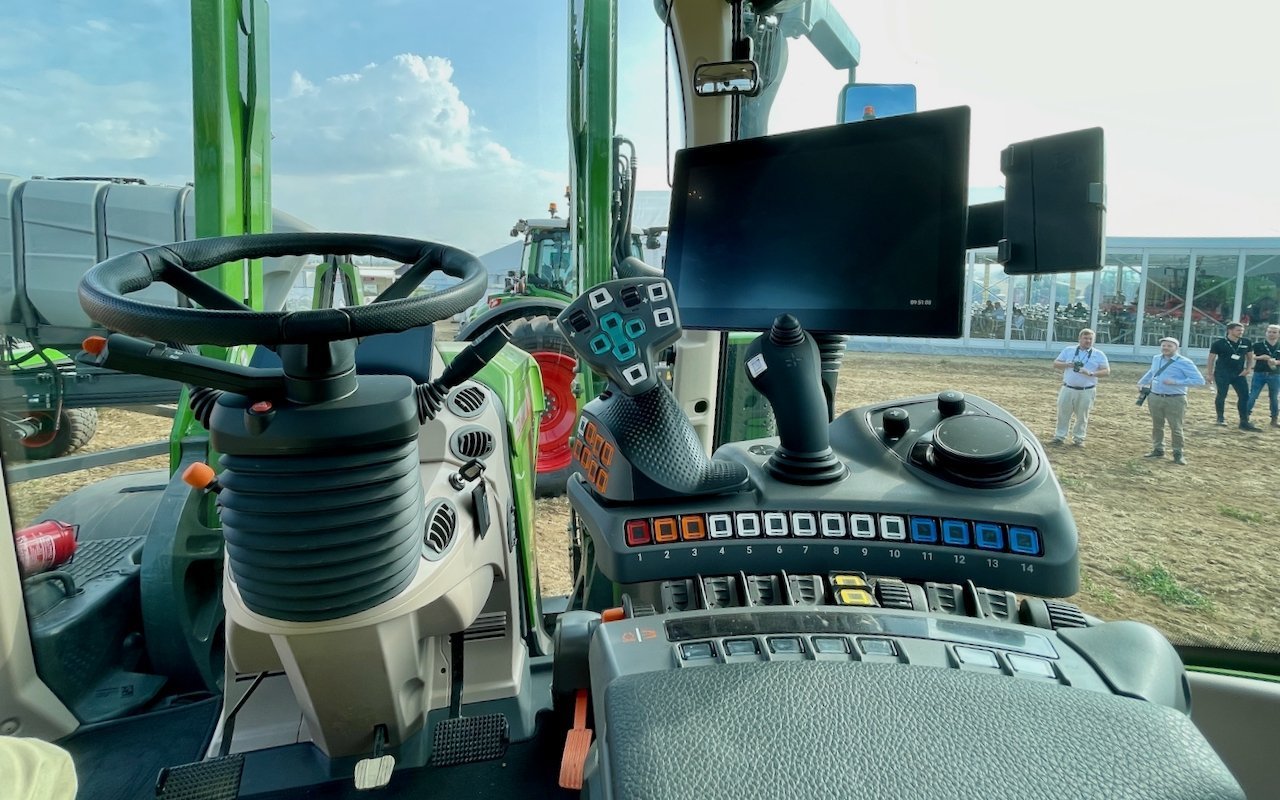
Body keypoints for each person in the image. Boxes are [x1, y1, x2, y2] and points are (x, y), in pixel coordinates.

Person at [1138, 337, 1205, 465]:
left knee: (1176, 427)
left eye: (1169, 346)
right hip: (1155, 396)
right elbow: (1152, 372)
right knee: (1157, 425)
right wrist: (1142, 382)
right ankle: (1158, 449)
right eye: (1164, 345)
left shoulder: (1185, 362)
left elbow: (1199, 380)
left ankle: (1178, 453)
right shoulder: (1156, 359)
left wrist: (1176, 382)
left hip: (1175, 398)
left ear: (1176, 348)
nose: (1165, 348)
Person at [1051, 328, 1110, 446]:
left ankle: (1079, 438)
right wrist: (1067, 364)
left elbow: (1106, 371)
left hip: (1087, 390)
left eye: (1090, 339)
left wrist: (1091, 373)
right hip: (1068, 388)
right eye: (1085, 338)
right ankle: (1059, 436)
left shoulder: (1099, 354)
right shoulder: (1069, 350)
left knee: (1082, 416)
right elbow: (1056, 364)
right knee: (1063, 413)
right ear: (1079, 339)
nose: (1088, 341)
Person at [1206, 321, 1261, 431]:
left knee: (1244, 396)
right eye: (1238, 330)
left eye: (1242, 330)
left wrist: (1248, 369)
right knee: (1222, 395)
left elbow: (1250, 357)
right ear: (1229, 330)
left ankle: (1244, 421)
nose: (1241, 332)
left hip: (1239, 373)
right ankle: (1220, 418)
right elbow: (1211, 359)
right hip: (1222, 373)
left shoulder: (1246, 342)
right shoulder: (1219, 343)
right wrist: (1209, 374)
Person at [1248, 323, 1280, 428]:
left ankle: (1274, 419)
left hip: (1275, 374)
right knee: (1253, 395)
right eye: (1269, 332)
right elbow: (1250, 356)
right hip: (1259, 373)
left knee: (1274, 397)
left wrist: (1276, 362)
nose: (1271, 334)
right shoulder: (1258, 345)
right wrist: (1260, 357)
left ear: (1278, 334)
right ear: (1266, 333)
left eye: (1274, 332)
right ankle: (1245, 417)